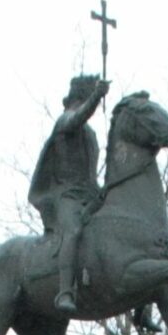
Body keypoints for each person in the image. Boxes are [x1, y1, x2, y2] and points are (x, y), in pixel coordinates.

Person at [33, 73, 108, 316]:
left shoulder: (91, 134)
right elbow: (78, 117)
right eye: (86, 98)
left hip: (90, 196)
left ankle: (143, 307)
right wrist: (97, 97)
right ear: (80, 99)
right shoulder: (66, 120)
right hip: (67, 196)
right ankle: (64, 290)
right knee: (73, 231)